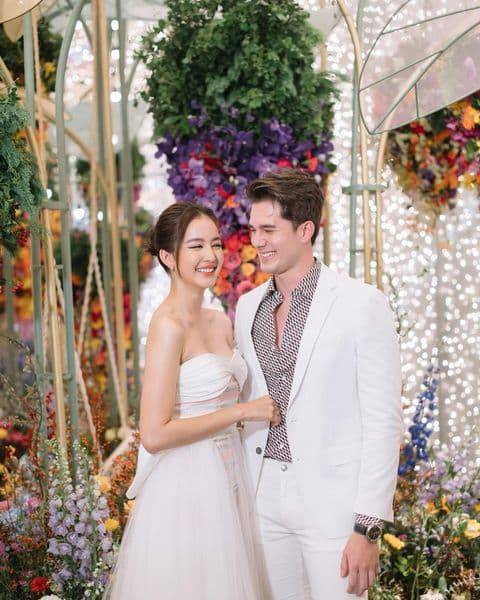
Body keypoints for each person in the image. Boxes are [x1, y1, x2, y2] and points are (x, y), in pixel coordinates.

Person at [234, 169, 404, 599]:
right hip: (263, 496)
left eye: (269, 229)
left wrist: (368, 526)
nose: (258, 241)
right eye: (253, 230)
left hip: (334, 504)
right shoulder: (247, 307)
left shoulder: (361, 303)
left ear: (305, 230)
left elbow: (384, 421)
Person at [104, 202, 277, 599]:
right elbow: (154, 434)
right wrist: (241, 412)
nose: (210, 255)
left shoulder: (219, 320)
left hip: (231, 474)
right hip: (187, 483)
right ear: (168, 257)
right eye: (196, 246)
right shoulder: (168, 325)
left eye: (215, 244)